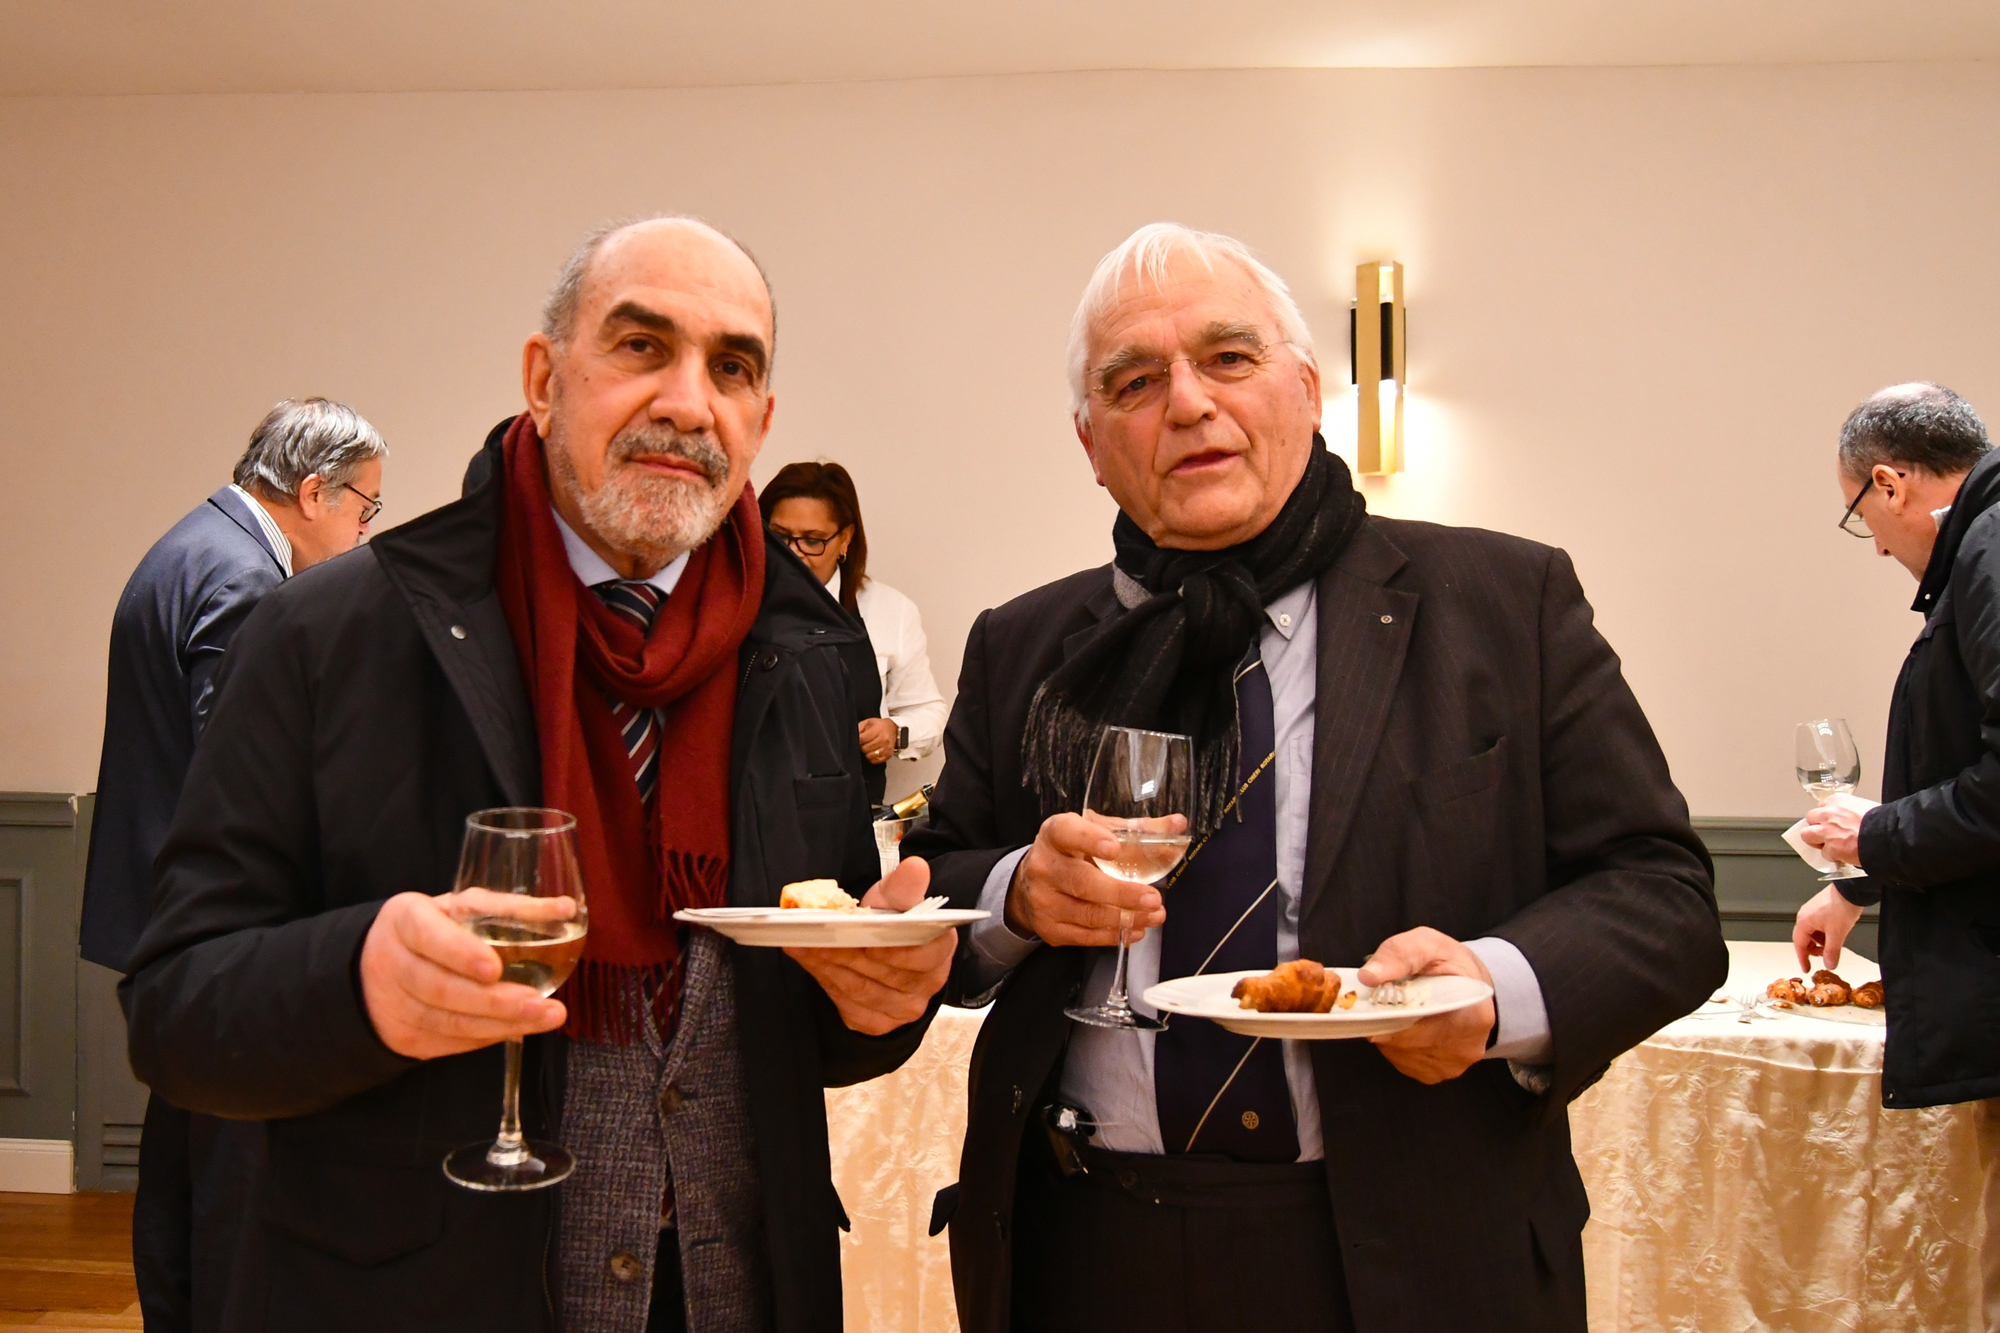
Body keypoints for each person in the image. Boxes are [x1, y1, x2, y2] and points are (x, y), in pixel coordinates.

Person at [122, 216, 954, 1332]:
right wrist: (357, 981)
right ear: (544, 380)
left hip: (739, 1292)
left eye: (731, 367)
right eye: (640, 346)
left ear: (760, 419)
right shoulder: (329, 635)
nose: (686, 401)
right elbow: (175, 1007)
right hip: (427, 1294)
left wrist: (879, 1005)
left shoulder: (812, 649)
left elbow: (805, 1015)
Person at [903, 222, 1727, 1333]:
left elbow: (1661, 895)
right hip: (1083, 1249)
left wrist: (1491, 991)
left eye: (1227, 358)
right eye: (1135, 382)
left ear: (1306, 389)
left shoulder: (1505, 602)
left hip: (1411, 1262)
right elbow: (939, 884)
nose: (1187, 403)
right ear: (1090, 443)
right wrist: (1015, 894)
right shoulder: (1024, 644)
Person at [79, 397, 387, 1333]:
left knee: (180, 1156)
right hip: (211, 921)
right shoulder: (247, 579)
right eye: (366, 508)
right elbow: (243, 770)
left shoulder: (190, 543)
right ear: (313, 491)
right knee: (228, 1177)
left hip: (156, 900)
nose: (365, 531)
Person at [1792, 383, 2000, 1330]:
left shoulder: (1990, 551)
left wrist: (1873, 835)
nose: (1875, 545)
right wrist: (1861, 882)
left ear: (1889, 482)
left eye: (1860, 514)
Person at [759, 461, 948, 801]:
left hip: (851, 813)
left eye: (812, 541)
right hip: (755, 807)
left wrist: (894, 732)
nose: (793, 553)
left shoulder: (890, 610)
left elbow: (929, 714)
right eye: (779, 537)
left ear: (845, 539)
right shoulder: (734, 607)